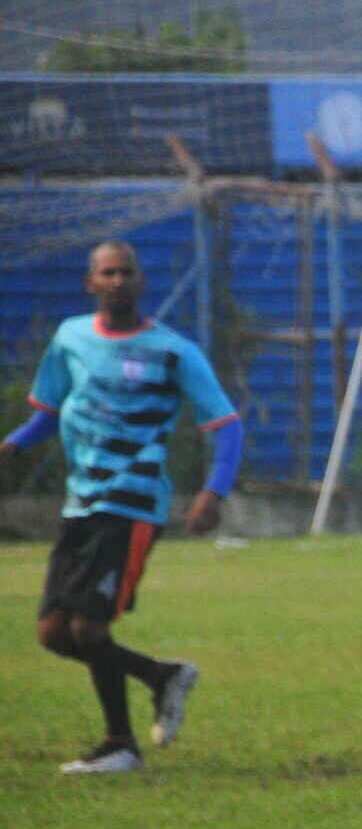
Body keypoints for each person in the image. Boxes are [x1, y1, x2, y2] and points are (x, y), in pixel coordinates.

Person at [2, 241, 241, 775]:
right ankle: (162, 677)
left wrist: (212, 493)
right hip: (79, 503)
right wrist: (13, 444)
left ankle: (119, 745)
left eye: (126, 272)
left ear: (141, 282)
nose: (117, 281)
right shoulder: (70, 338)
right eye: (107, 273)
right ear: (91, 284)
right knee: (52, 634)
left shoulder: (173, 351)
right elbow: (48, 411)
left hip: (133, 506)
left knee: (89, 629)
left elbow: (228, 427)